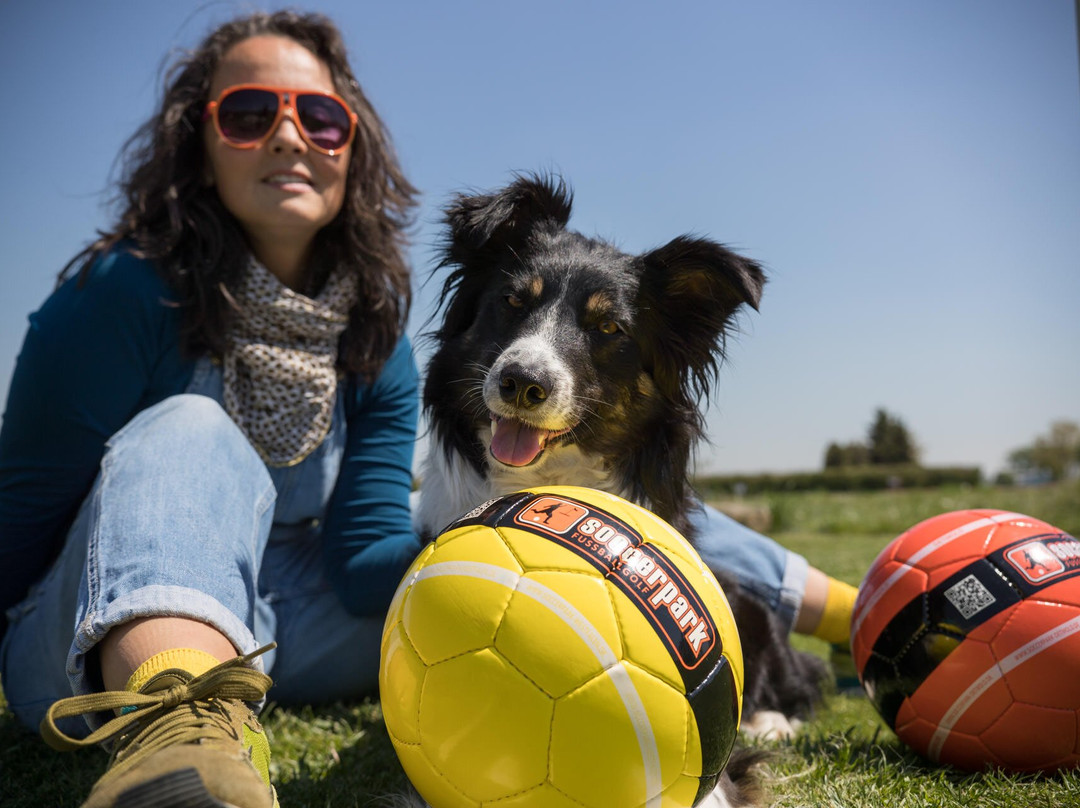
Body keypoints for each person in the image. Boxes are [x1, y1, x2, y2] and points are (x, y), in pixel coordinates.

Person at [0, 10, 419, 808]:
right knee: (195, 428)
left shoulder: (377, 336)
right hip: (87, 631)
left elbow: (365, 570)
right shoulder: (121, 297)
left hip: (284, 618)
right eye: (252, 114)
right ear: (200, 140)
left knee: (561, 524)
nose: (291, 139)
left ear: (351, 148)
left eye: (322, 118)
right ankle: (179, 740)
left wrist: (493, 530)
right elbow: (22, 524)